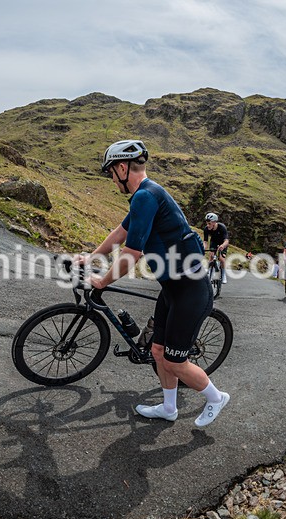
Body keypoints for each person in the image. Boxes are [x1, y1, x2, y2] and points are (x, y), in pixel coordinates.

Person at [77, 139, 230, 427]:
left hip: (190, 291)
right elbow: (120, 233)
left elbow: (131, 253)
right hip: (172, 288)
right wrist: (91, 257)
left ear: (122, 168)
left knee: (174, 361)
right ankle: (168, 408)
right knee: (157, 351)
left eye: (111, 173)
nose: (111, 179)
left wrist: (102, 280)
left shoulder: (146, 196)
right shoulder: (145, 195)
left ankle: (216, 397)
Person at [203, 212, 229, 285]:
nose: (207, 225)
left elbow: (226, 240)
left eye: (209, 223)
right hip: (214, 242)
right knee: (211, 256)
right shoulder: (206, 229)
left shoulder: (222, 227)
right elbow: (205, 241)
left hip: (223, 243)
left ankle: (223, 275)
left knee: (221, 259)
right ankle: (209, 271)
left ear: (214, 222)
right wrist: (203, 248)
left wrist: (223, 246)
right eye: (207, 223)